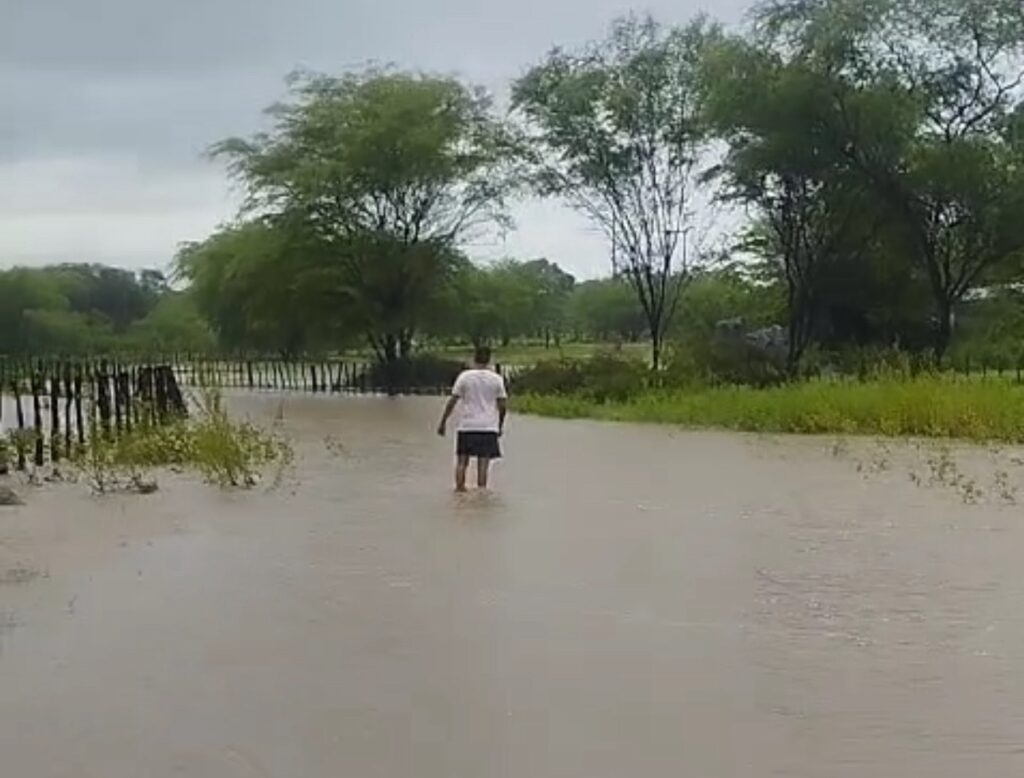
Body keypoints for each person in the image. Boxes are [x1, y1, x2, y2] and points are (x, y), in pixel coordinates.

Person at [437, 346, 508, 492]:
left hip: (467, 425)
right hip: (488, 427)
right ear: (489, 360)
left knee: (462, 461)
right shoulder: (496, 379)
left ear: (474, 359)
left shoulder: (464, 377)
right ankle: (482, 494)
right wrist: (500, 425)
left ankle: (459, 491)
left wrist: (443, 422)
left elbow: (453, 400)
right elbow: (502, 406)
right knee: (483, 463)